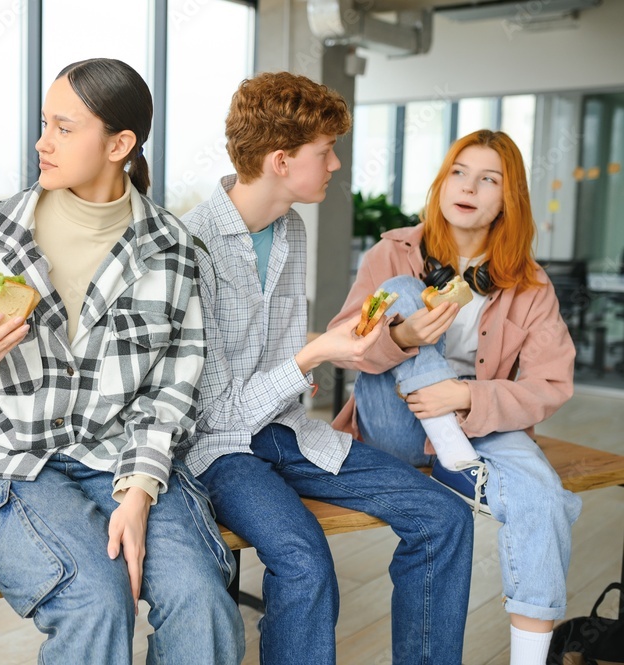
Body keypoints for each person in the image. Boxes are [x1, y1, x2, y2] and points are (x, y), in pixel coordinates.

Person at [0, 58, 244, 665]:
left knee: (202, 600)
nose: (43, 142)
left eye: (64, 128)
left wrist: (139, 491)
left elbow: (175, 389)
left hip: (125, 457)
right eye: (45, 124)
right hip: (9, 459)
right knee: (95, 601)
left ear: (119, 144)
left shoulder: (172, 249)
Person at [182, 71, 474, 665]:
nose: (336, 164)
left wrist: (331, 350)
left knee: (444, 516)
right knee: (304, 557)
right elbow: (213, 415)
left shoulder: (289, 228)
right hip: (217, 450)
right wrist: (313, 355)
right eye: (325, 152)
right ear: (282, 161)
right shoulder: (192, 247)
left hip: (288, 431)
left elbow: (278, 360)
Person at [329, 129, 582, 665]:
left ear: (506, 199)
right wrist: (404, 339)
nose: (468, 186)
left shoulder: (529, 283)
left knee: (545, 498)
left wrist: (464, 397)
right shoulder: (392, 251)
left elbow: (550, 383)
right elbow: (343, 344)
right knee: (398, 290)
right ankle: (447, 449)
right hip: (397, 421)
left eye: (489, 179)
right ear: (443, 183)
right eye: (459, 172)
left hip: (478, 421)